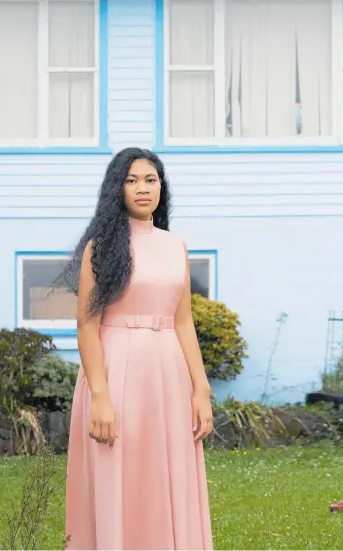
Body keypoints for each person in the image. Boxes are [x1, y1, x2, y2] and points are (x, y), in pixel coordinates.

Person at [62, 147, 214, 550]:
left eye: (151, 179)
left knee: (167, 478)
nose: (143, 188)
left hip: (169, 378)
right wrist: (99, 397)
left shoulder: (175, 246)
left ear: (162, 187)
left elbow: (183, 322)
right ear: (117, 189)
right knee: (118, 474)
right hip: (115, 374)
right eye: (131, 180)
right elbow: (86, 325)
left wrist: (200, 389)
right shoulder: (100, 248)